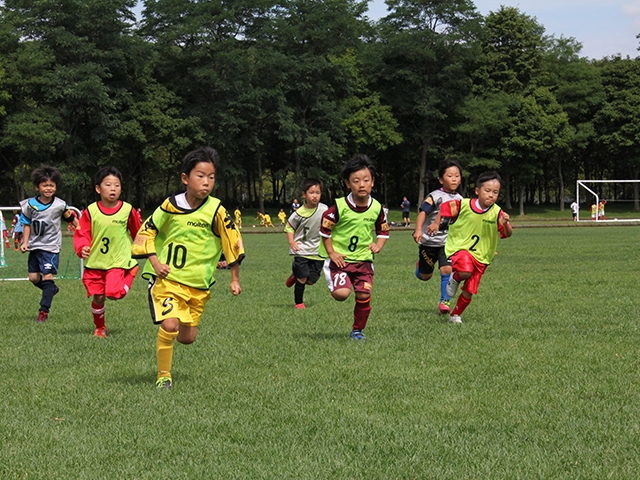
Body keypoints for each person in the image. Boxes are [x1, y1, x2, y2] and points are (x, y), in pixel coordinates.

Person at [132, 146, 245, 390]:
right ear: (185, 178)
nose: (206, 182)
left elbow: (232, 242)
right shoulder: (170, 206)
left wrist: (234, 278)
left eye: (211, 177)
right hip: (168, 281)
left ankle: (173, 351)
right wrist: (155, 262)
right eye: (200, 176)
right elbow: (147, 231)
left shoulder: (217, 210)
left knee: (187, 338)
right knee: (170, 325)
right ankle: (164, 376)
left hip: (198, 284)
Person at [320, 154, 389, 340]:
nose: (361, 184)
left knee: (363, 294)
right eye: (356, 181)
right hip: (340, 260)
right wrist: (332, 253)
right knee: (342, 294)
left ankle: (357, 330)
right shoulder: (338, 207)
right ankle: (331, 278)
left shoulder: (376, 208)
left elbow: (383, 231)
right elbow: (325, 232)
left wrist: (379, 245)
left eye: (366, 180)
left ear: (372, 182)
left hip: (364, 260)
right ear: (347, 184)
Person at [74, 167, 142, 337]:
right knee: (98, 297)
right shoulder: (90, 211)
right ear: (98, 189)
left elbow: (138, 232)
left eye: (117, 185)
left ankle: (132, 271)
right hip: (96, 261)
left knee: (113, 294)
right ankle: (100, 328)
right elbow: (82, 233)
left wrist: (143, 248)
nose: (113, 189)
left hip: (118, 261)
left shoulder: (127, 210)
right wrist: (82, 248)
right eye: (108, 185)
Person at [440, 171, 512, 324]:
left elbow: (507, 234)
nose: (491, 195)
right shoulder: (464, 205)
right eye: (487, 191)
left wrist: (505, 224)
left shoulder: (497, 212)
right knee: (465, 270)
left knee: (469, 290)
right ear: (477, 191)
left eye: (495, 192)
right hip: (461, 248)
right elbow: (445, 207)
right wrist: (438, 222)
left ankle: (455, 315)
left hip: (482, 256)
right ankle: (456, 277)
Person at [19, 166, 79, 322]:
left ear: (56, 187)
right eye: (45, 185)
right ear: (37, 187)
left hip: (51, 247)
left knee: (47, 276)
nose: (48, 188)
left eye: (51, 185)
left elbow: (70, 218)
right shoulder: (30, 205)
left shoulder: (60, 205)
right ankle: (51, 288)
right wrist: (25, 242)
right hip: (35, 246)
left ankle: (43, 311)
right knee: (33, 278)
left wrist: (83, 230)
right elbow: (26, 224)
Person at [412, 159, 463, 315]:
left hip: (447, 243)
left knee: (447, 269)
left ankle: (444, 302)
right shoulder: (435, 196)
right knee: (425, 276)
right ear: (441, 179)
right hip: (428, 243)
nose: (454, 179)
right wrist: (418, 230)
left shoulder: (461, 200)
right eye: (450, 176)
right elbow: (423, 213)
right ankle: (419, 268)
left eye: (457, 176)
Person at [284, 178, 328, 309]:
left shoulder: (324, 209)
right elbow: (289, 227)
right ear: (304, 194)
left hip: (318, 250)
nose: (315, 196)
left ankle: (295, 274)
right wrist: (291, 242)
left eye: (318, 193)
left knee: (311, 280)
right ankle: (299, 303)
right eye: (311, 192)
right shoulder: (298, 213)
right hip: (301, 249)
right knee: (302, 278)